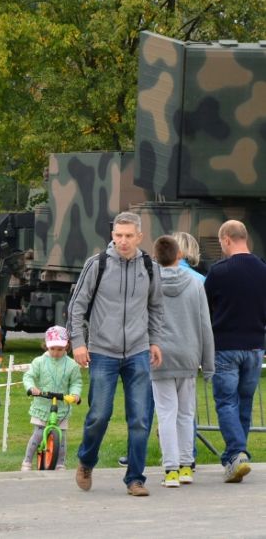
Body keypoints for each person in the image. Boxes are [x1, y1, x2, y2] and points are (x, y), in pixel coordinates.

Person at [67, 211, 164, 497]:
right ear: (112, 235)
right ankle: (86, 461)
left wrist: (155, 341)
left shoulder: (149, 266)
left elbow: (156, 307)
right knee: (99, 414)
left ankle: (135, 478)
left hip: (138, 351)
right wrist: (78, 342)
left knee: (140, 418)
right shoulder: (97, 264)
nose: (123, 241)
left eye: (128, 236)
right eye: (118, 235)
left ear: (139, 237)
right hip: (102, 351)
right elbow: (77, 306)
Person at [204, 219, 266, 483]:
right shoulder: (262, 269)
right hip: (255, 346)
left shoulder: (219, 272)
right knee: (245, 401)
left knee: (226, 401)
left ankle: (237, 452)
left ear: (226, 239)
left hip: (225, 346)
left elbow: (204, 307)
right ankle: (235, 459)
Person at [150, 235, 215, 487]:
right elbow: (205, 324)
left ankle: (171, 470)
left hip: (159, 356)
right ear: (180, 255)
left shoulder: (149, 283)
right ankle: (187, 466)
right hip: (188, 355)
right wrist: (208, 364)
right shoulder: (196, 283)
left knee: (166, 414)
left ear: (155, 257)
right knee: (186, 414)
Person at [21, 326, 82, 471]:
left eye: (60, 349)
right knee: (38, 433)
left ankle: (60, 463)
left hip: (62, 406)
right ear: (46, 346)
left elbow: (76, 382)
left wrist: (75, 394)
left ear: (67, 346)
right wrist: (31, 388)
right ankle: (27, 461)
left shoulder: (71, 365)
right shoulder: (39, 361)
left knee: (61, 437)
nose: (56, 352)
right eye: (52, 349)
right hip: (42, 405)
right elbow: (29, 376)